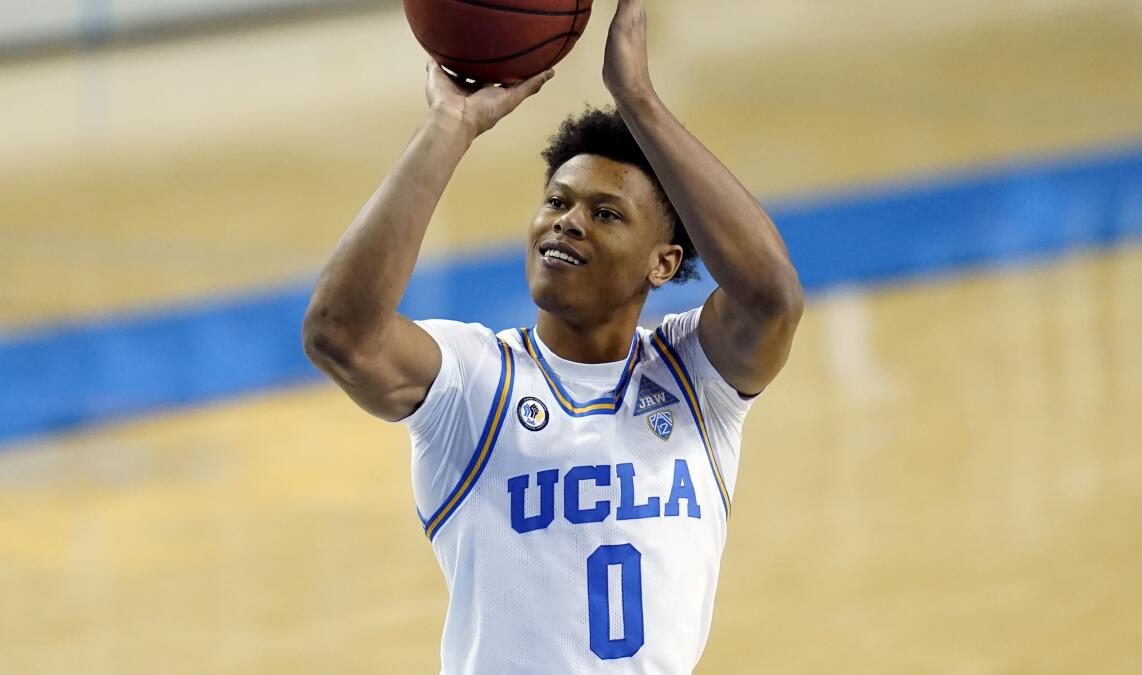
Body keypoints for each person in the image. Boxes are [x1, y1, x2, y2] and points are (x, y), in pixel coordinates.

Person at [302, 0, 803, 671]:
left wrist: (639, 100)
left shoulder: (695, 381)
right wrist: (451, 124)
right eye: (557, 201)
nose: (567, 222)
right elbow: (341, 333)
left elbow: (772, 296)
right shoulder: (476, 380)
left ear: (664, 263)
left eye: (606, 213)